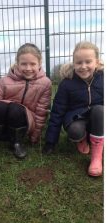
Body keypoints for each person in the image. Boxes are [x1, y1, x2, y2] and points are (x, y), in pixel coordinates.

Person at [43, 41, 104, 177]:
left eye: (88, 62)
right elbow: (57, 112)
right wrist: (50, 142)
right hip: (77, 118)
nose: (83, 67)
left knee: (100, 110)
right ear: (73, 63)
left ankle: (96, 158)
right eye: (78, 62)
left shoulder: (103, 79)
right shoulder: (67, 83)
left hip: (99, 117)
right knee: (75, 131)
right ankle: (84, 138)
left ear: (97, 62)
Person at [0, 43, 52, 159]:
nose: (28, 68)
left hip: (24, 124)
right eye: (24, 64)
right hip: (2, 126)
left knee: (15, 109)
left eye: (32, 64)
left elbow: (41, 112)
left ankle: (16, 143)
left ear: (39, 63)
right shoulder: (5, 81)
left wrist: (35, 136)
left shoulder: (45, 83)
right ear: (17, 63)